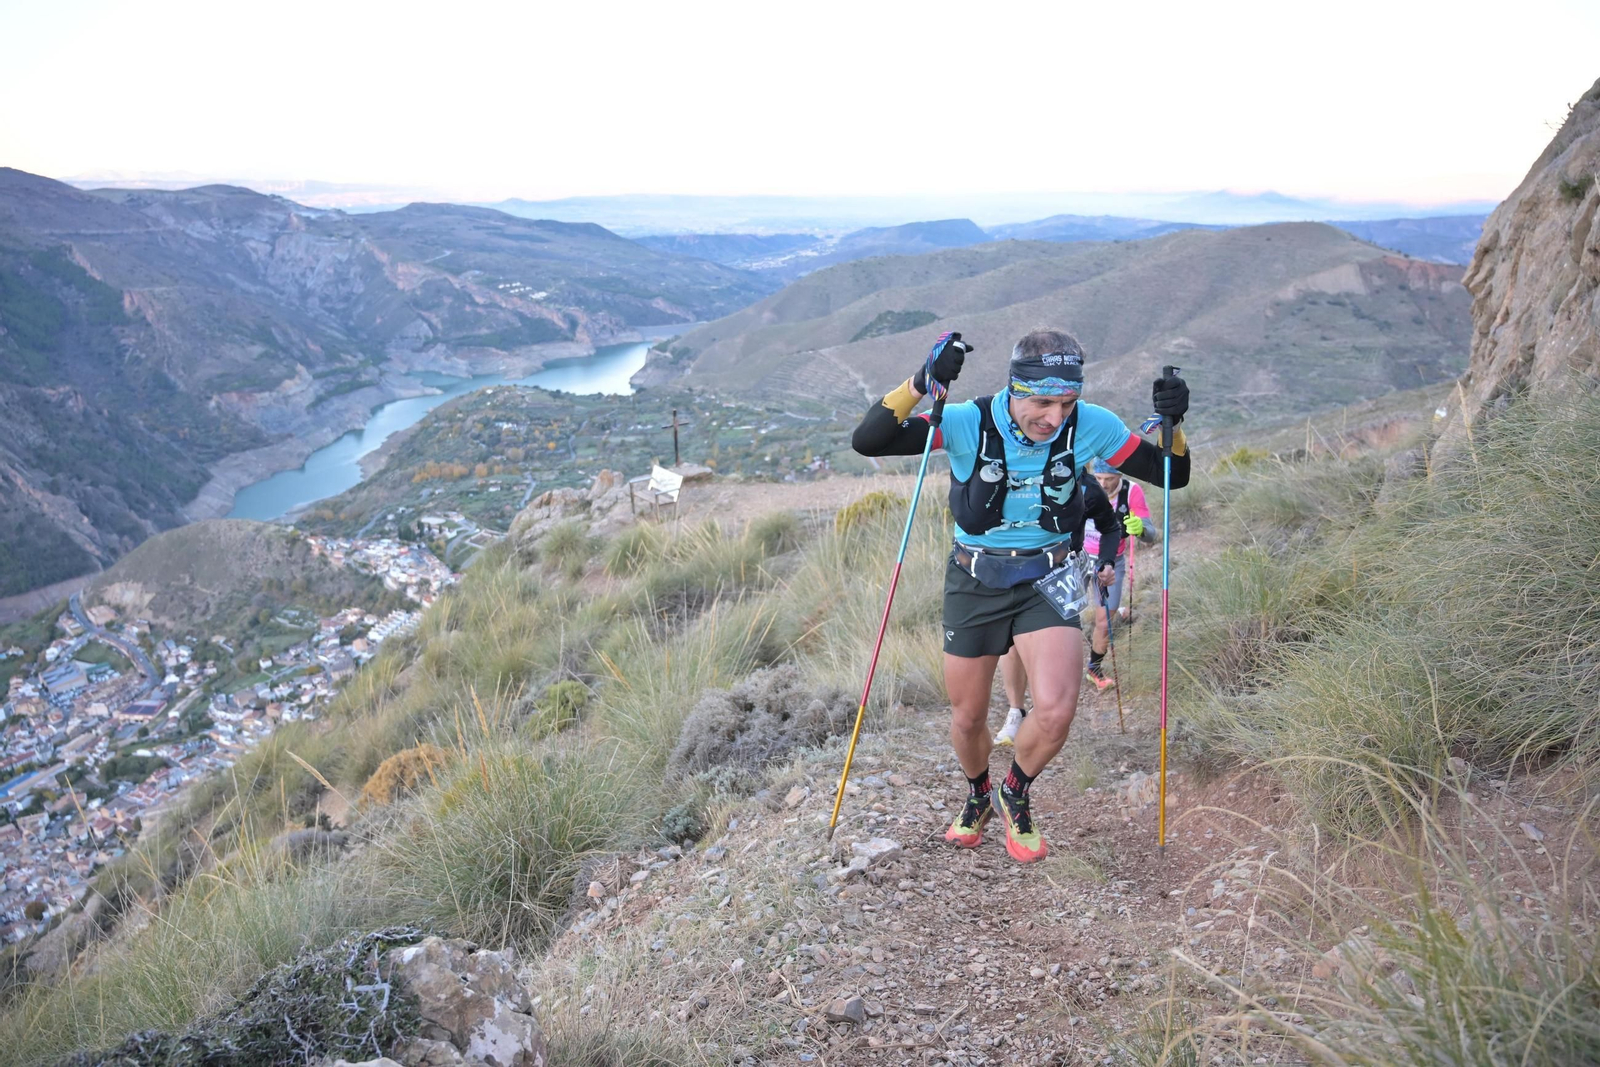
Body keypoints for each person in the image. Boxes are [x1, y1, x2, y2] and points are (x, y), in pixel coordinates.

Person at [852, 329, 1190, 862]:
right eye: (1041, 402)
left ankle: (1016, 792)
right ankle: (978, 793)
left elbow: (1172, 473)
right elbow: (870, 439)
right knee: (967, 718)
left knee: (1056, 711)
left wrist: (1176, 426)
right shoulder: (969, 421)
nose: (1054, 417)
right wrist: (922, 382)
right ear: (1013, 389)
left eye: (1066, 403)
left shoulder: (1093, 425)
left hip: (1049, 576)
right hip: (975, 577)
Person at [993, 473, 1121, 745]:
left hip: (1062, 573)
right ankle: (1016, 712)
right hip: (1013, 569)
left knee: (1050, 646)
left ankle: (1045, 715)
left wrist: (1107, 562)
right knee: (1011, 645)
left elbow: (1110, 527)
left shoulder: (1087, 486)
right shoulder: (1017, 470)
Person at [1082, 458, 1156, 691]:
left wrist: (1140, 528)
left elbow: (1151, 534)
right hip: (1078, 557)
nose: (1103, 484)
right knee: (1065, 616)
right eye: (1099, 478)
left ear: (1120, 476)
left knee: (1104, 621)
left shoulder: (1131, 492)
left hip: (1112, 561)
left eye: (1109, 479)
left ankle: (1094, 670)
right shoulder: (1083, 487)